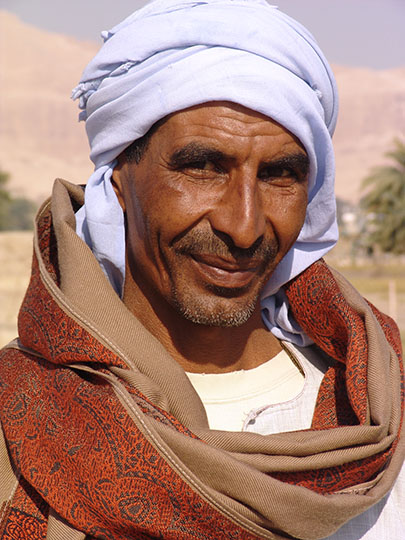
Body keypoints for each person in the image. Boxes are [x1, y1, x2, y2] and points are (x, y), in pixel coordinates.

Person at [0, 1, 403, 539]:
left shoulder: (379, 413)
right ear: (120, 176)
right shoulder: (24, 410)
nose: (244, 226)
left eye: (280, 175)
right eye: (202, 167)